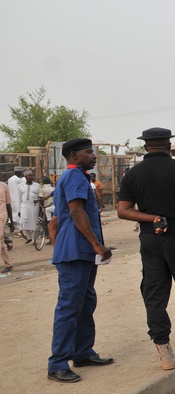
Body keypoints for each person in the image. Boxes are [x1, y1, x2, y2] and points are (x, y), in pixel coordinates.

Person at [117, 127, 175, 371]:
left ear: (146, 146)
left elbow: (123, 211)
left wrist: (151, 218)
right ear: (169, 146)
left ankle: (164, 350)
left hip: (150, 240)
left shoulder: (133, 174)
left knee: (154, 293)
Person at [48, 138, 114, 383]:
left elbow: (55, 220)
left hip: (80, 251)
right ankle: (57, 364)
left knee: (86, 303)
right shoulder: (75, 176)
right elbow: (75, 212)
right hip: (76, 251)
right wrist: (97, 245)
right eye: (89, 152)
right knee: (69, 307)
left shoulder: (76, 177)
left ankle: (83, 352)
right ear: (74, 156)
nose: (94, 156)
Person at [19, 170, 39, 243]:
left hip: (34, 206)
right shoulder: (21, 186)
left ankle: (34, 239)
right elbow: (19, 197)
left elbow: (39, 196)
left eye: (32, 175)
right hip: (24, 205)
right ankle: (29, 236)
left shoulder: (37, 185)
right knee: (24, 221)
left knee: (33, 222)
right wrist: (19, 209)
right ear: (25, 177)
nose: (31, 177)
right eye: (29, 175)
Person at [0, 180, 14, 273]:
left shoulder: (4, 186)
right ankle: (8, 264)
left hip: (1, 214)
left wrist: (11, 221)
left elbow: (8, 204)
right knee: (1, 241)